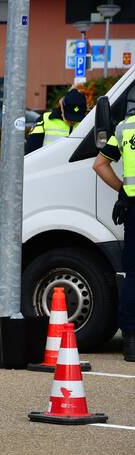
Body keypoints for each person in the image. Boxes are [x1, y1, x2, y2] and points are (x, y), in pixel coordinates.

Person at [92, 110, 135, 362]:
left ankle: (131, 341)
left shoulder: (124, 127)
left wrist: (124, 191)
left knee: (133, 273)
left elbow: (99, 164)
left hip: (134, 208)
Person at [25, 88, 87, 154]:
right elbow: (30, 150)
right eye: (69, 117)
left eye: (77, 118)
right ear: (62, 107)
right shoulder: (45, 119)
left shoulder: (87, 123)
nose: (72, 121)